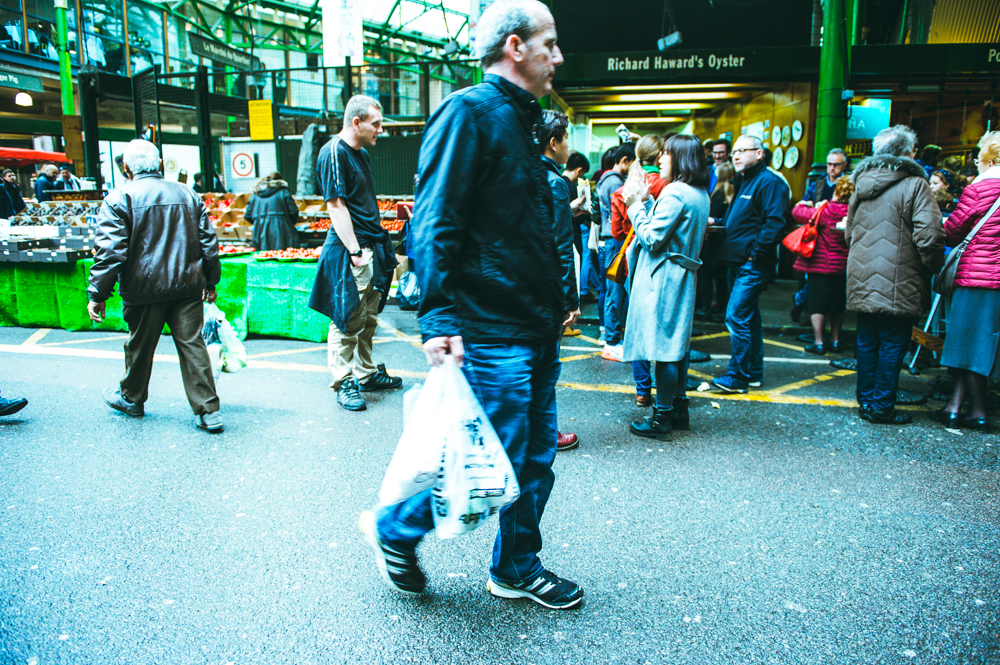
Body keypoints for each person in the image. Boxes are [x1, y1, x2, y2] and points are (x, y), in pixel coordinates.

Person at [360, 0, 585, 610]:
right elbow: (436, 220)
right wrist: (437, 317)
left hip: (531, 327)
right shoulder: (469, 112)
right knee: (494, 459)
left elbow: (521, 224)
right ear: (516, 46)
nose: (558, 56)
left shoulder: (522, 121)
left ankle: (515, 565)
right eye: (550, 43)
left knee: (534, 457)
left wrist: (560, 300)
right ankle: (395, 530)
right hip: (491, 328)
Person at [87, 139, 224, 432]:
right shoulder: (188, 194)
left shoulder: (118, 198)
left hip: (144, 288)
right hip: (187, 287)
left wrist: (98, 294)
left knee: (140, 345)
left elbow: (110, 252)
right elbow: (208, 244)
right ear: (160, 165)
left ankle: (132, 398)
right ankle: (208, 410)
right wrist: (211, 281)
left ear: (125, 167)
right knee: (192, 345)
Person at [845, 125, 944, 425]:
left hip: (862, 274)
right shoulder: (916, 185)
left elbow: (849, 233)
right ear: (908, 153)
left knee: (867, 340)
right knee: (893, 342)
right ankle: (882, 407)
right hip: (901, 275)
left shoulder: (861, 185)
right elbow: (929, 236)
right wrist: (930, 266)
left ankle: (866, 402)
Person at [309, 94, 401, 412]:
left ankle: (364, 373)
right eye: (376, 124)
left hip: (369, 245)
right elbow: (336, 206)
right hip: (354, 249)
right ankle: (343, 380)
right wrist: (355, 251)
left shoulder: (359, 153)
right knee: (346, 318)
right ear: (356, 122)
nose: (380, 130)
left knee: (368, 317)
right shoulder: (334, 151)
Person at [622, 134, 710, 439]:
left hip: (663, 276)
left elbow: (652, 239)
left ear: (681, 158)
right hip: (683, 274)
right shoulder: (700, 192)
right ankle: (679, 408)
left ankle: (661, 420)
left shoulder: (675, 192)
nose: (660, 159)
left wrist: (635, 205)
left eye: (667, 155)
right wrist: (648, 202)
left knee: (663, 349)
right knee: (676, 346)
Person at [932, 130, 1000, 432]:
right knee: (977, 343)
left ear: (990, 159)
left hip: (976, 276)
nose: (975, 160)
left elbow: (955, 231)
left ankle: (979, 413)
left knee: (970, 344)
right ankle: (955, 407)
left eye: (979, 154)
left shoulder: (980, 188)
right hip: (996, 280)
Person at [711, 135, 789, 393]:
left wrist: (755, 253)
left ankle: (738, 377)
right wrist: (718, 220)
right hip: (738, 261)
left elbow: (775, 223)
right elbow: (744, 218)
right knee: (750, 318)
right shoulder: (745, 180)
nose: (735, 155)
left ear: (759, 154)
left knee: (736, 316)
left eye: (742, 151)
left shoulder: (769, 182)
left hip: (751, 263)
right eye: (735, 151)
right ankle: (753, 373)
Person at [610, 135, 667, 406]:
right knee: (666, 324)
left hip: (633, 258)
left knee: (637, 323)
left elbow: (616, 231)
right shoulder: (667, 186)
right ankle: (671, 389)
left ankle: (643, 390)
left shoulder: (626, 187)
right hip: (660, 261)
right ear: (659, 157)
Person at [539, 109, 583, 451]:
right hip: (544, 292)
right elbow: (560, 248)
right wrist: (570, 300)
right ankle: (545, 432)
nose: (569, 144)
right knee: (545, 367)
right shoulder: (554, 184)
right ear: (553, 143)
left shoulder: (514, 175)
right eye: (566, 137)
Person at [790, 175, 853, 354]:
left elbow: (797, 213)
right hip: (843, 267)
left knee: (817, 305)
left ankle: (818, 342)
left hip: (820, 265)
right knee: (837, 305)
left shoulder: (827, 210)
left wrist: (806, 204)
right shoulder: (855, 212)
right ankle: (835, 340)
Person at [597, 142, 635, 361]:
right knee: (615, 289)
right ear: (624, 161)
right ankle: (612, 341)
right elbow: (618, 219)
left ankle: (612, 338)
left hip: (610, 239)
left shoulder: (606, 179)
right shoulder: (615, 182)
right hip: (615, 239)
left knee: (613, 288)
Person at [697, 161, 735, 320]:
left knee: (705, 273)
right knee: (722, 276)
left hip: (712, 239)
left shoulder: (717, 194)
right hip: (727, 242)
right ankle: (722, 305)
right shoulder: (734, 194)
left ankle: (705, 307)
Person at [245, 172, 301, 251]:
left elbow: (247, 215)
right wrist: (289, 222)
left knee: (263, 258)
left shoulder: (254, 195)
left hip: (260, 234)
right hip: (283, 232)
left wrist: (258, 222)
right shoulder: (284, 191)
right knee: (285, 257)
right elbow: (293, 211)